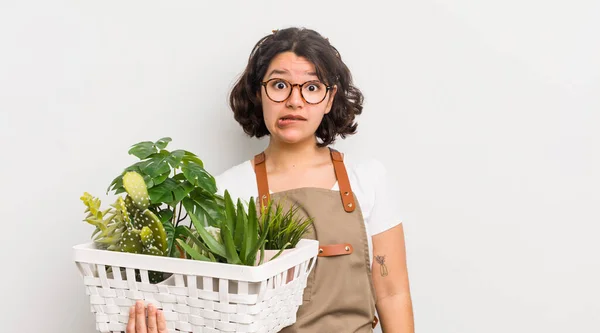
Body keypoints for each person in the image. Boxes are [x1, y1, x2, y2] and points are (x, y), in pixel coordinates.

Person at [126, 27, 414, 333]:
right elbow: (209, 312)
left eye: (312, 88)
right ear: (258, 93)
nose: (294, 101)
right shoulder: (226, 190)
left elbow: (392, 293)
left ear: (330, 99)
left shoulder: (368, 179)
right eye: (279, 85)